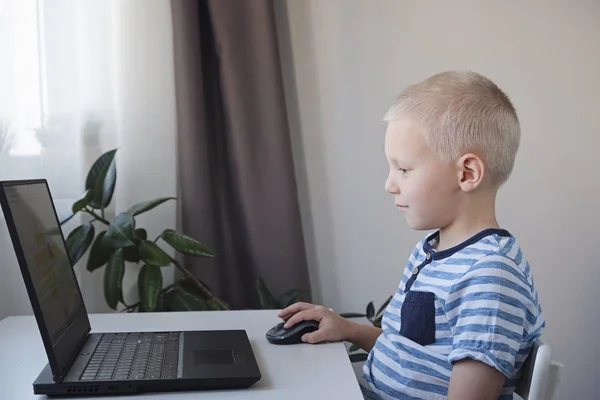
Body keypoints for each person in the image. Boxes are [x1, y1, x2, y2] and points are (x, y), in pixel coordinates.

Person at [278, 71, 545, 400]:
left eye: (403, 169)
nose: (390, 184)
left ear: (467, 173)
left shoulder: (490, 277)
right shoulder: (433, 251)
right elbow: (412, 354)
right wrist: (348, 330)